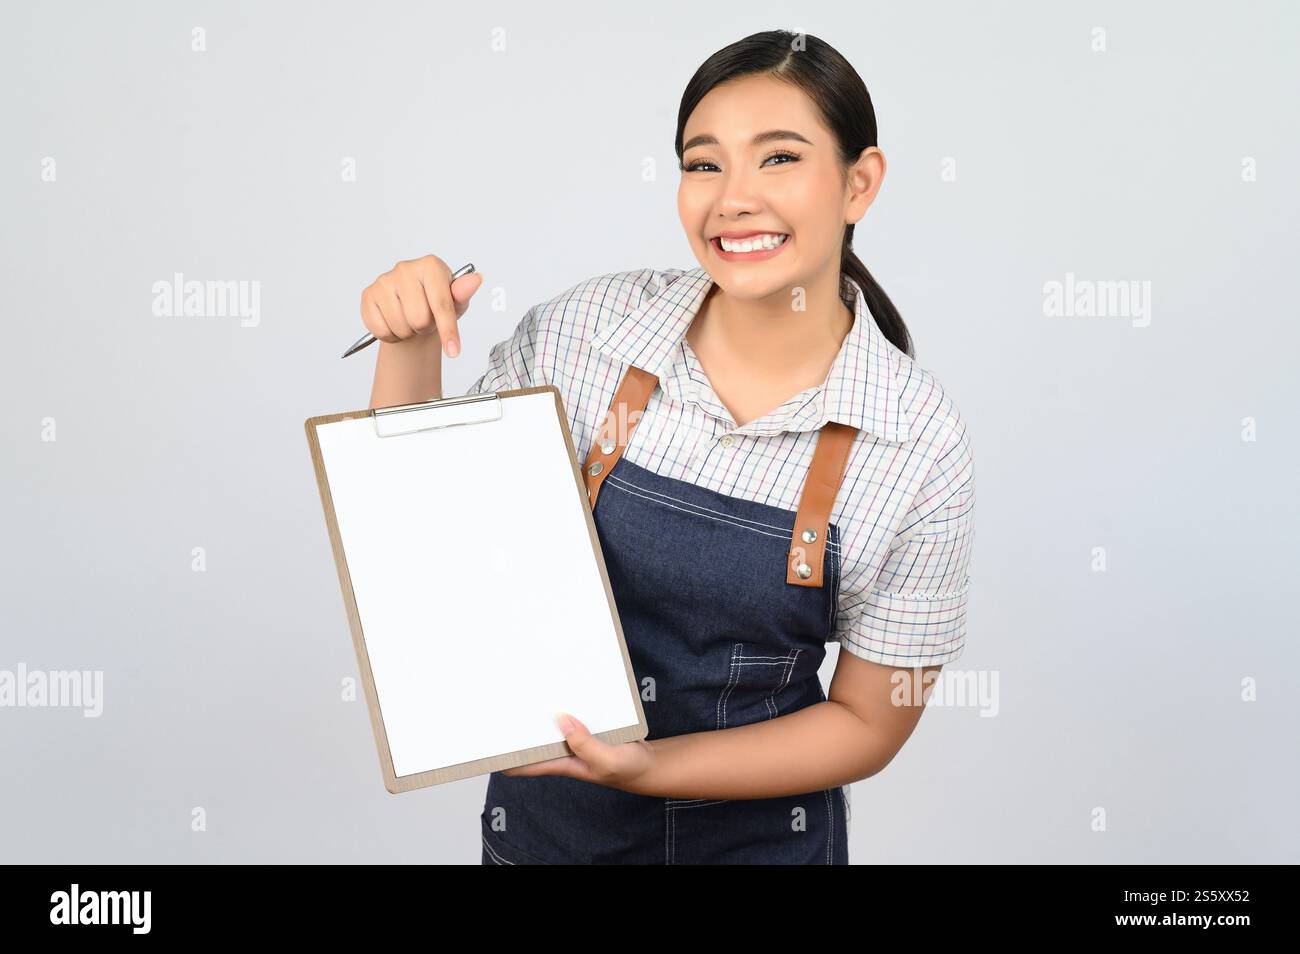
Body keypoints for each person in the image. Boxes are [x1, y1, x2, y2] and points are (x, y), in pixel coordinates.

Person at [360, 30, 974, 865]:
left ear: (859, 182)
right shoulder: (587, 335)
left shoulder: (916, 442)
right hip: (546, 839)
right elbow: (420, 530)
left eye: (780, 158)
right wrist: (409, 341)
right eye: (704, 163)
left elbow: (867, 721)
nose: (734, 198)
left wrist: (648, 768)